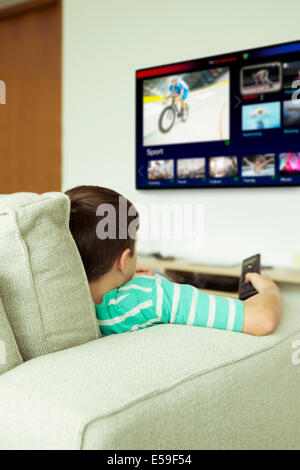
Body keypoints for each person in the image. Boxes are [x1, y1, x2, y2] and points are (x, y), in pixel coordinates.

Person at [65, 185, 282, 338]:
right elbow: (262, 319)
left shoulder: (68, 303)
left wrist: (123, 279)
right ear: (123, 261)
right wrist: (270, 291)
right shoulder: (151, 294)